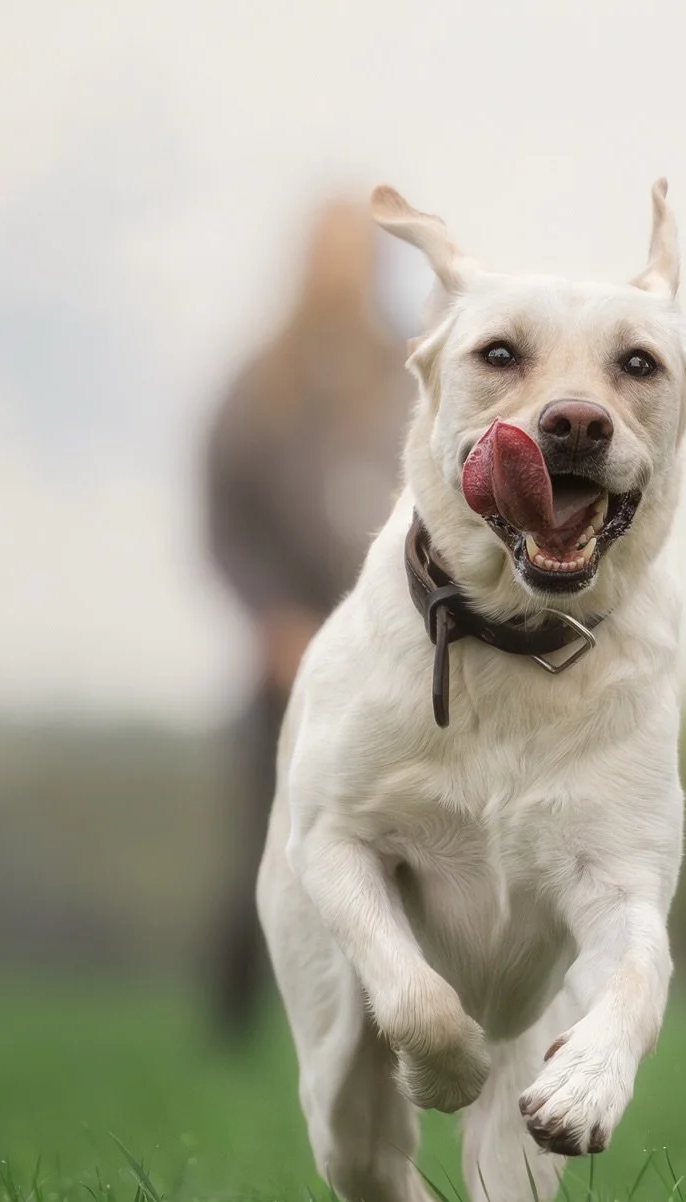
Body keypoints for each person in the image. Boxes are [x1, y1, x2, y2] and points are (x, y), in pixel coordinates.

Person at [205, 198, 412, 1037]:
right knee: (270, 840)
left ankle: (382, 1019)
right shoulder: (255, 386)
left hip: (394, 652)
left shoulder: (415, 369)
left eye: (352, 253)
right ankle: (233, 1034)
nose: (339, 269)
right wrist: (272, 618)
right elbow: (222, 524)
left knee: (399, 841)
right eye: (325, 252)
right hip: (287, 658)